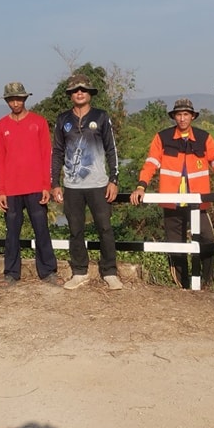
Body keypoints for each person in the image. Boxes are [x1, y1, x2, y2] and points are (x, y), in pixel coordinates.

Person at [130, 97, 214, 288]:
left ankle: (206, 283)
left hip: (197, 203)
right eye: (179, 114)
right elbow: (151, 164)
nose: (182, 118)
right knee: (176, 247)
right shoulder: (163, 138)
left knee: (208, 240)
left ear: (192, 117)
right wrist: (141, 186)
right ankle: (183, 287)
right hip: (171, 202)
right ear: (174, 117)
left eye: (186, 114)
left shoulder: (204, 138)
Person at [51, 74, 121, 290]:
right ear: (70, 95)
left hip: (99, 184)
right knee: (75, 229)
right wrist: (55, 183)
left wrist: (114, 179)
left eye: (83, 89)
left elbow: (112, 149)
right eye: (74, 90)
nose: (79, 93)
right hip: (72, 186)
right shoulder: (63, 120)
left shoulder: (101, 117)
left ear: (90, 93)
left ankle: (110, 272)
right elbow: (57, 153)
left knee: (105, 228)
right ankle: (79, 271)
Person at [0, 82, 63, 286]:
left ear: (25, 99)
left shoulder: (38, 123)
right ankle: (11, 272)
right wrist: (2, 190)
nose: (16, 102)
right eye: (12, 99)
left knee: (41, 229)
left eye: (19, 98)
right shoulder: (0, 126)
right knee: (12, 233)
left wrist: (45, 185)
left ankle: (48, 271)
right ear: (7, 101)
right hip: (12, 189)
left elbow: (46, 155)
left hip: (35, 188)